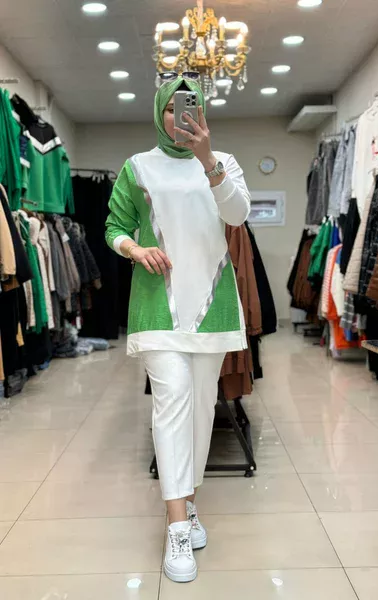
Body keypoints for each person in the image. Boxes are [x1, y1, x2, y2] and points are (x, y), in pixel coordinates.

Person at [105, 74, 251, 583]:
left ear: (201, 110)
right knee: (172, 404)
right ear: (159, 112)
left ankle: (188, 503)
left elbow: (238, 214)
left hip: (213, 305)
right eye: (171, 108)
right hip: (157, 306)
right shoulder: (137, 167)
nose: (179, 116)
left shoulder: (224, 161)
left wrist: (208, 159)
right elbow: (114, 226)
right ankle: (177, 528)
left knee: (202, 411)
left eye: (188, 106)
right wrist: (134, 248)